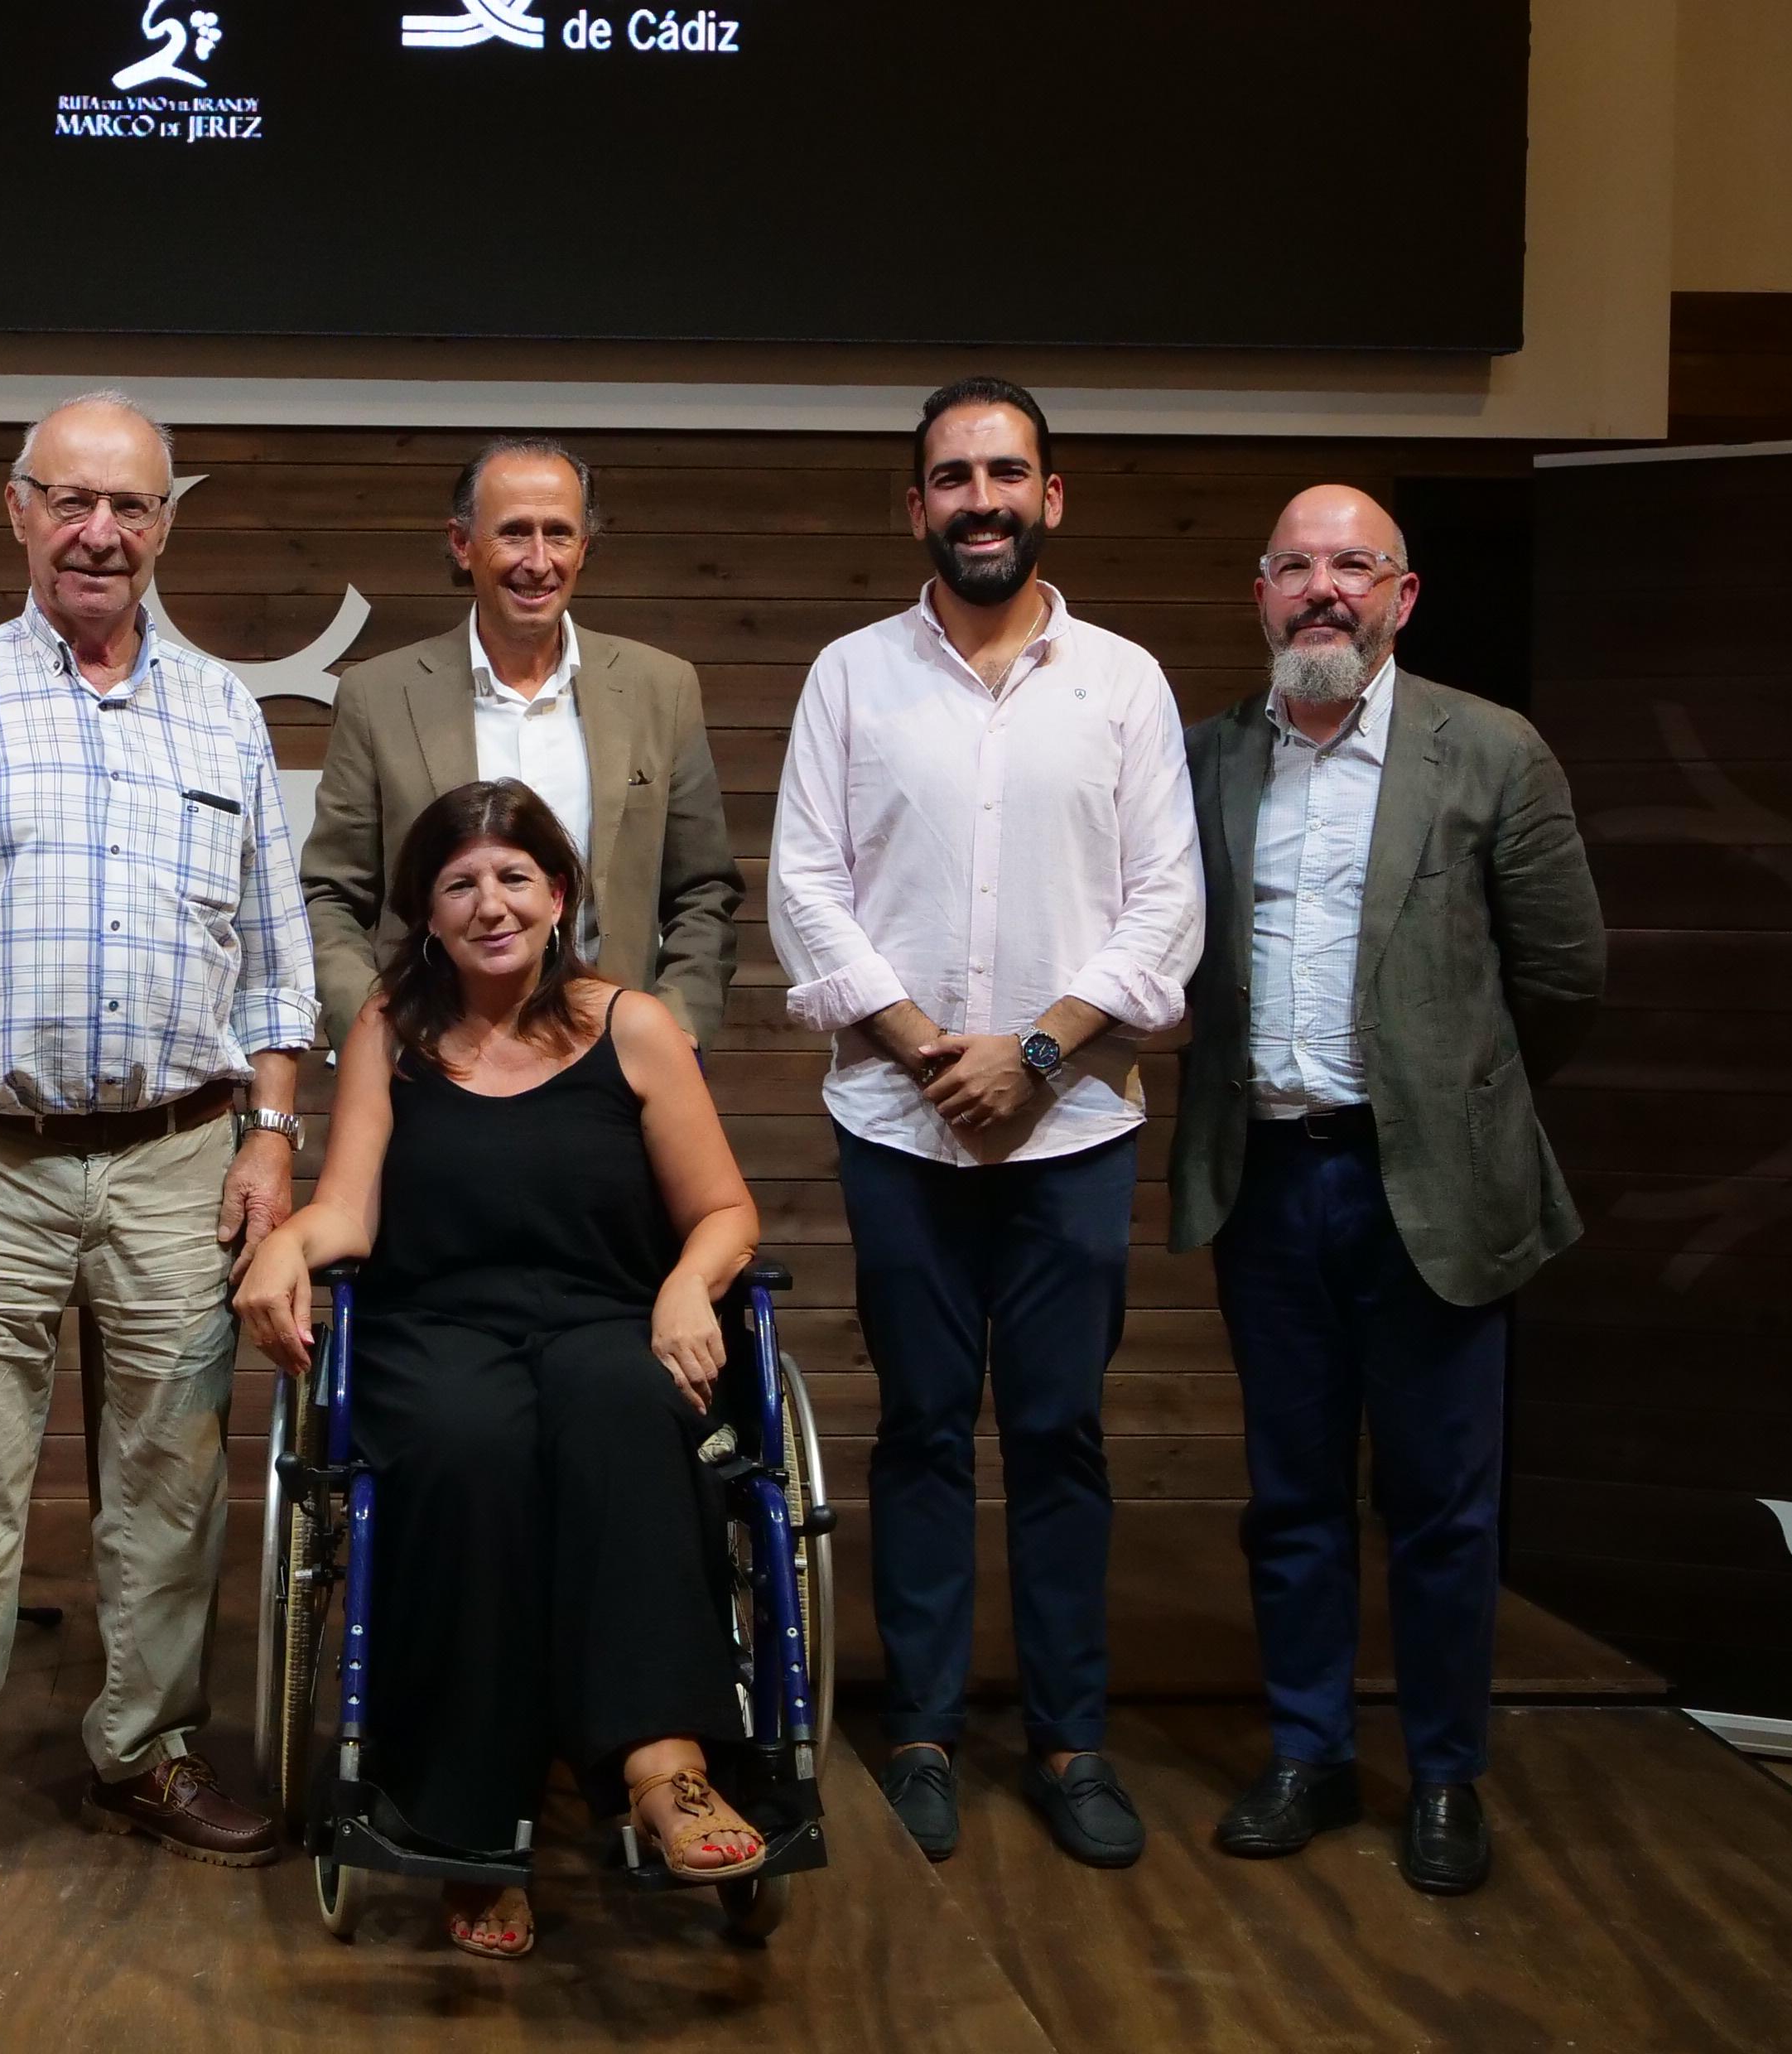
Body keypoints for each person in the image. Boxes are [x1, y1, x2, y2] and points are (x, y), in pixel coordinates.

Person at [0, 390, 316, 1913]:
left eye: (132, 507)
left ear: (166, 526)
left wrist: (271, 1135)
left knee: (171, 1481)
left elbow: (274, 961)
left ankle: (148, 1747)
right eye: (72, 501)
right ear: (18, 511)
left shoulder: (223, 709)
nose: (101, 532)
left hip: (181, 1150)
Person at [768, 375, 1202, 1868]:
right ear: (917, 508)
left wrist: (1027, 1052)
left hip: (1073, 1130)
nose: (979, 500)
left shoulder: (1125, 685)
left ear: (1049, 498)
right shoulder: (847, 677)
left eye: (1004, 473)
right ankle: (927, 1730)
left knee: (1061, 1432)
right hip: (898, 1128)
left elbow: (1166, 912)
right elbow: (804, 893)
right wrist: (929, 1053)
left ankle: (1073, 1740)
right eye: (951, 477)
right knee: (918, 1431)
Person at [239, 780, 769, 1963]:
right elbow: (349, 1211)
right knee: (469, 1450)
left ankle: (663, 1768)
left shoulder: (630, 1025)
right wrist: (285, 1241)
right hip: (440, 1328)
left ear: (560, 894)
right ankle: (474, 1825)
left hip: (603, 1319)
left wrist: (688, 1284)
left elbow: (727, 1211)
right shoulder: (392, 1027)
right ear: (426, 914)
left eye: (514, 878)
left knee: (628, 1411)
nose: (491, 904)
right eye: (460, 884)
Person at [1173, 486, 1604, 1896]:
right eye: (1293, 565)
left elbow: (1561, 976)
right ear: (1259, 594)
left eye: (1352, 567)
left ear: (1400, 598)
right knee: (1290, 1499)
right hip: (1270, 1186)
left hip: (1430, 1188)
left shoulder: (1488, 751)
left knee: (1440, 1507)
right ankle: (1305, 1753)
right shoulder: (1203, 759)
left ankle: (1442, 1775)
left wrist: (1449, 1090)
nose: (1321, 590)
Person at [301, 436, 741, 1051]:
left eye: (558, 534)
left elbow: (703, 892)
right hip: (435, 1064)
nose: (538, 562)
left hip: (612, 1064)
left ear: (584, 548)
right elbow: (330, 893)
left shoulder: (660, 689)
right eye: (513, 533)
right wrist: (379, 1032)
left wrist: (671, 1030)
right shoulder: (379, 695)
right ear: (462, 544)